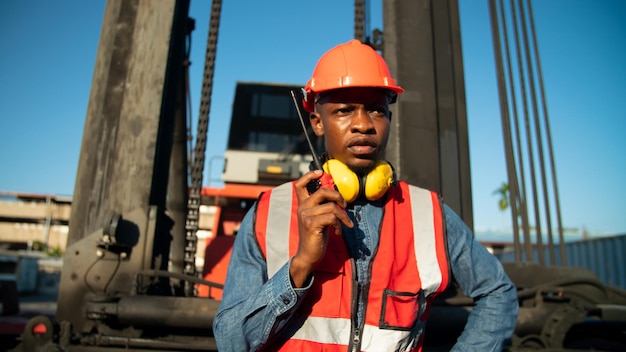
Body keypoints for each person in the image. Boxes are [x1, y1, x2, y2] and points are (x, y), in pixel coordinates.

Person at [213, 39, 519, 351]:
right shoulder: (270, 212)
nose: (363, 124)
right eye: (345, 110)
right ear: (317, 123)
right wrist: (302, 264)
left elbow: (498, 293)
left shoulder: (427, 212)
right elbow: (231, 341)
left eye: (376, 109)